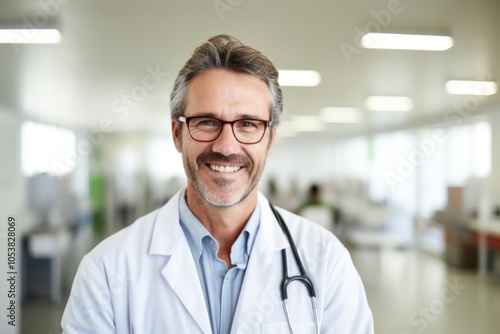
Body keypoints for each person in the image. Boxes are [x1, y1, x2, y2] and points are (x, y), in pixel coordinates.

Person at [61, 34, 374, 333]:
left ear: (271, 139)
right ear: (176, 134)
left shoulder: (327, 262)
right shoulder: (106, 270)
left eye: (248, 124)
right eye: (207, 122)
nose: (226, 146)